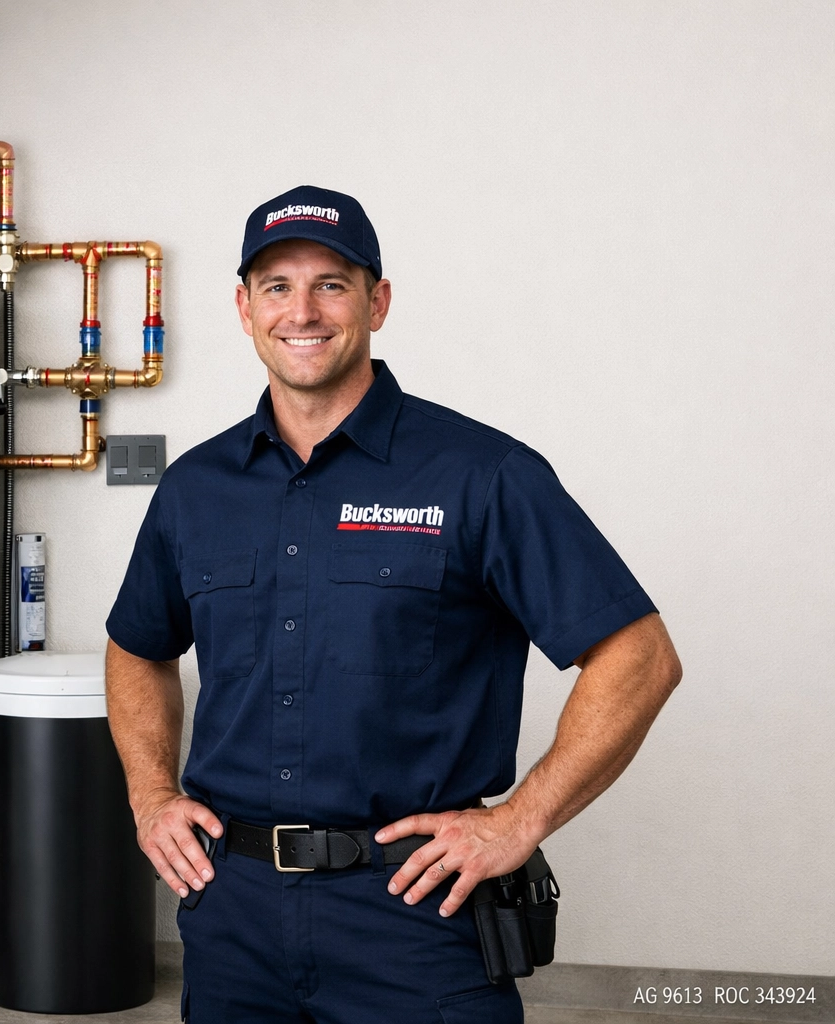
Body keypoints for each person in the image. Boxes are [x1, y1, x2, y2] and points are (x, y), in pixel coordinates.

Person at [103, 185, 682, 1023]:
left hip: (414, 915)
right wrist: (150, 795)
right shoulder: (197, 488)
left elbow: (640, 655)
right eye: (276, 286)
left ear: (378, 301)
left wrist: (518, 821)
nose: (302, 310)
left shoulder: (482, 473)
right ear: (243, 308)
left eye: (331, 283)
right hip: (233, 916)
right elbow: (137, 647)